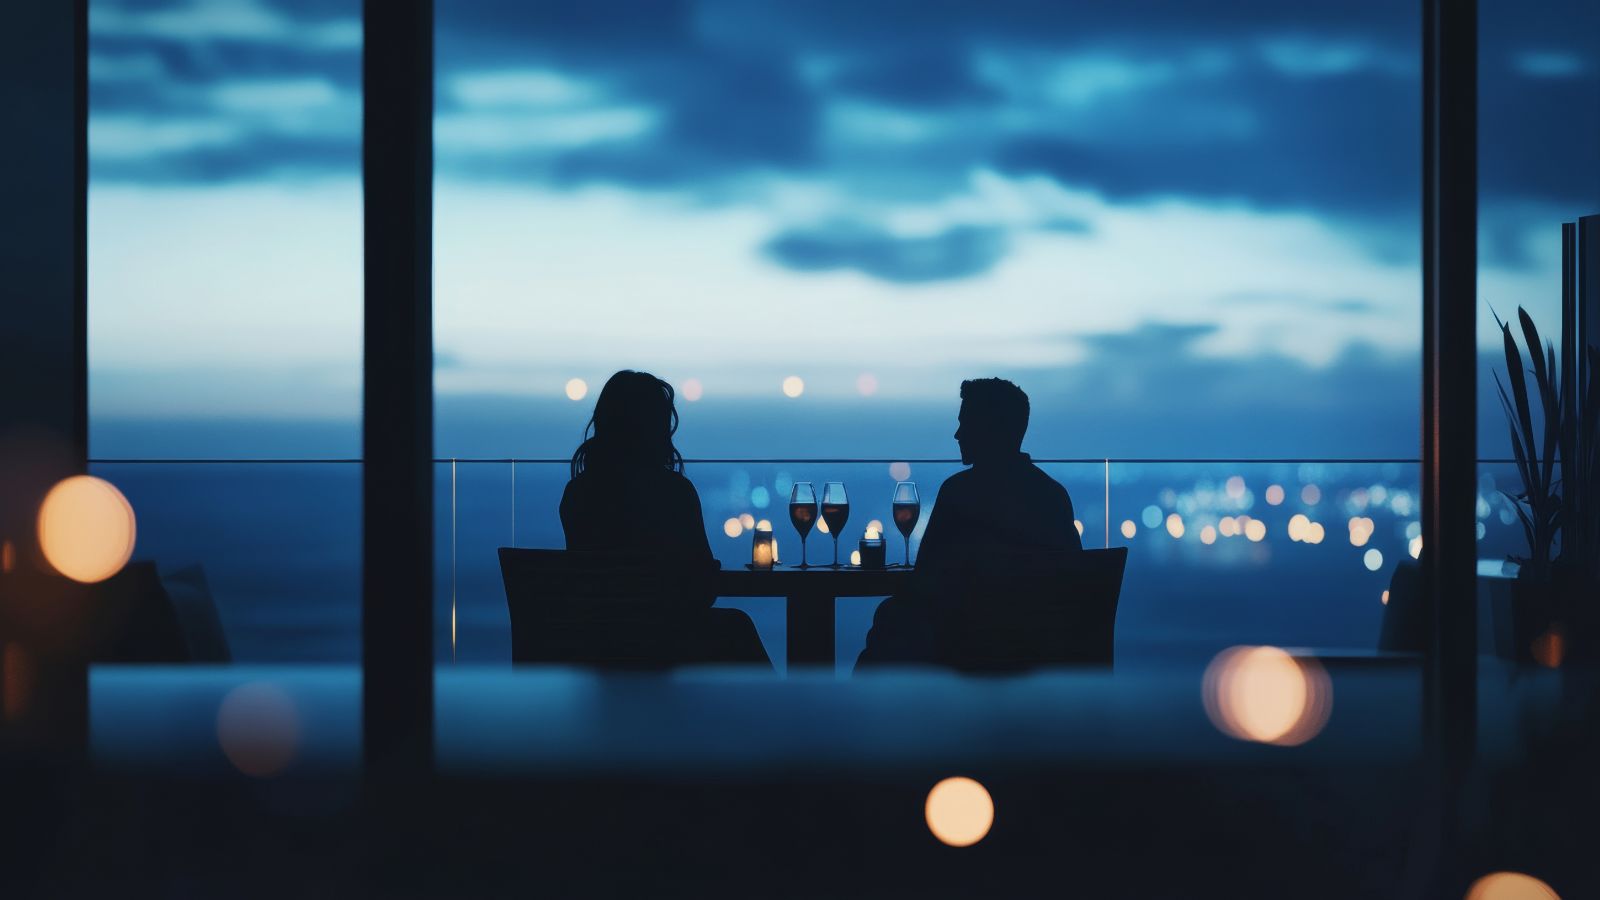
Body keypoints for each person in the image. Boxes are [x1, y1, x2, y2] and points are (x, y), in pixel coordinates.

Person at [856, 378, 1081, 668]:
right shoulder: (1053, 495)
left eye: (967, 423)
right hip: (1038, 651)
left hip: (967, 650)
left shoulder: (959, 492)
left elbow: (927, 578)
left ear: (991, 429)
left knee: (890, 617)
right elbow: (1072, 582)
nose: (957, 434)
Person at [560, 370, 770, 667]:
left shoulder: (577, 494)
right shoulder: (673, 492)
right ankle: (781, 712)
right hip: (663, 644)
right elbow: (701, 590)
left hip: (596, 645)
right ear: (656, 428)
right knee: (738, 627)